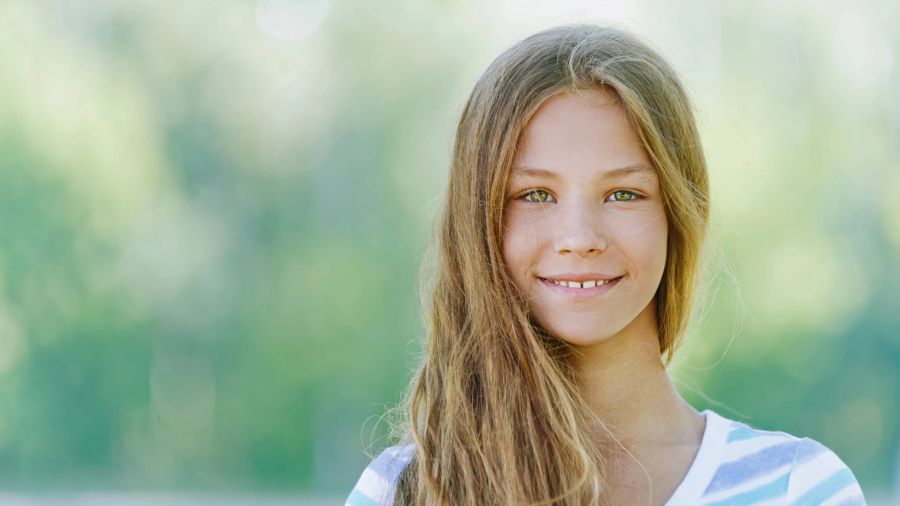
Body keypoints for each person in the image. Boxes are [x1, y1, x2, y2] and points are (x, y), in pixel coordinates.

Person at [346, 24, 867, 505]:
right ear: (477, 223)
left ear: (679, 216)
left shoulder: (800, 489)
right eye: (534, 194)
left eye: (623, 193)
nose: (579, 238)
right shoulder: (406, 491)